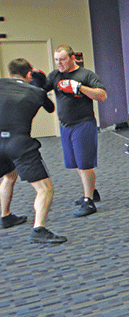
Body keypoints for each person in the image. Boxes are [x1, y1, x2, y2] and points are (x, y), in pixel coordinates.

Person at [0, 58, 66, 244]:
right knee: (45, 189)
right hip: (19, 143)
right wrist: (39, 82)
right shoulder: (36, 91)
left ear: (10, 73)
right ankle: (39, 229)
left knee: (9, 175)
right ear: (29, 74)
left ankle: (5, 216)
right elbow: (51, 108)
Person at [45, 45, 107, 217]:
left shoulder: (86, 75)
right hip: (65, 126)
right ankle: (92, 191)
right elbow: (41, 90)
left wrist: (79, 87)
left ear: (72, 58)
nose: (59, 63)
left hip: (83, 124)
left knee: (84, 164)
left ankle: (89, 201)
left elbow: (102, 95)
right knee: (76, 164)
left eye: (62, 59)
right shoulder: (55, 75)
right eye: (57, 59)